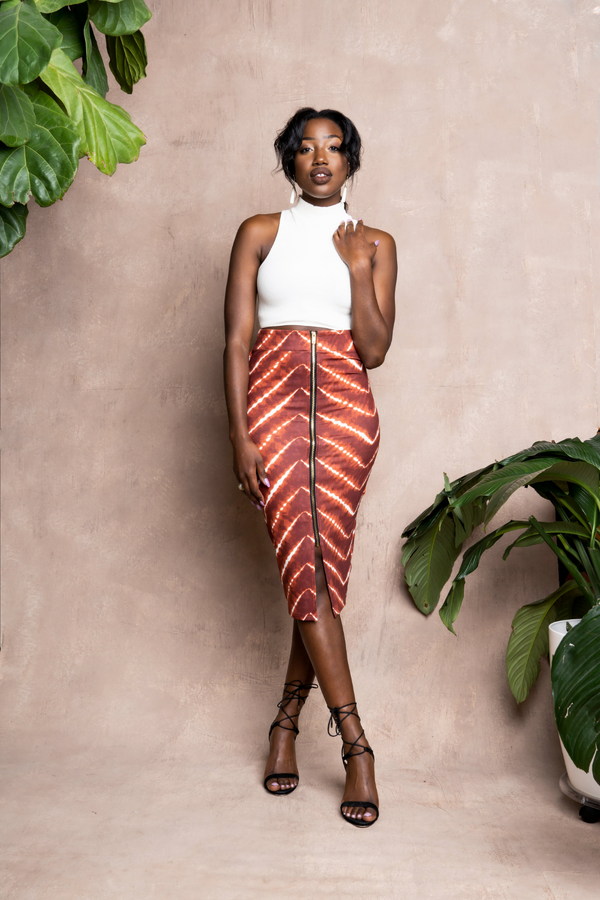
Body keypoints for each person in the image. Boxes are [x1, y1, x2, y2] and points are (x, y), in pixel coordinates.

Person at [223, 107, 397, 827]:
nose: (319, 158)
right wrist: (239, 434)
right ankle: (357, 745)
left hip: (349, 414)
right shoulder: (260, 233)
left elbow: (377, 348)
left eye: (333, 148)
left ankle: (286, 727)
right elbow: (236, 340)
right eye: (304, 148)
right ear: (288, 162)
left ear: (351, 160)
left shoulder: (377, 242)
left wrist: (357, 270)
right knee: (309, 565)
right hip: (273, 403)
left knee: (317, 570)